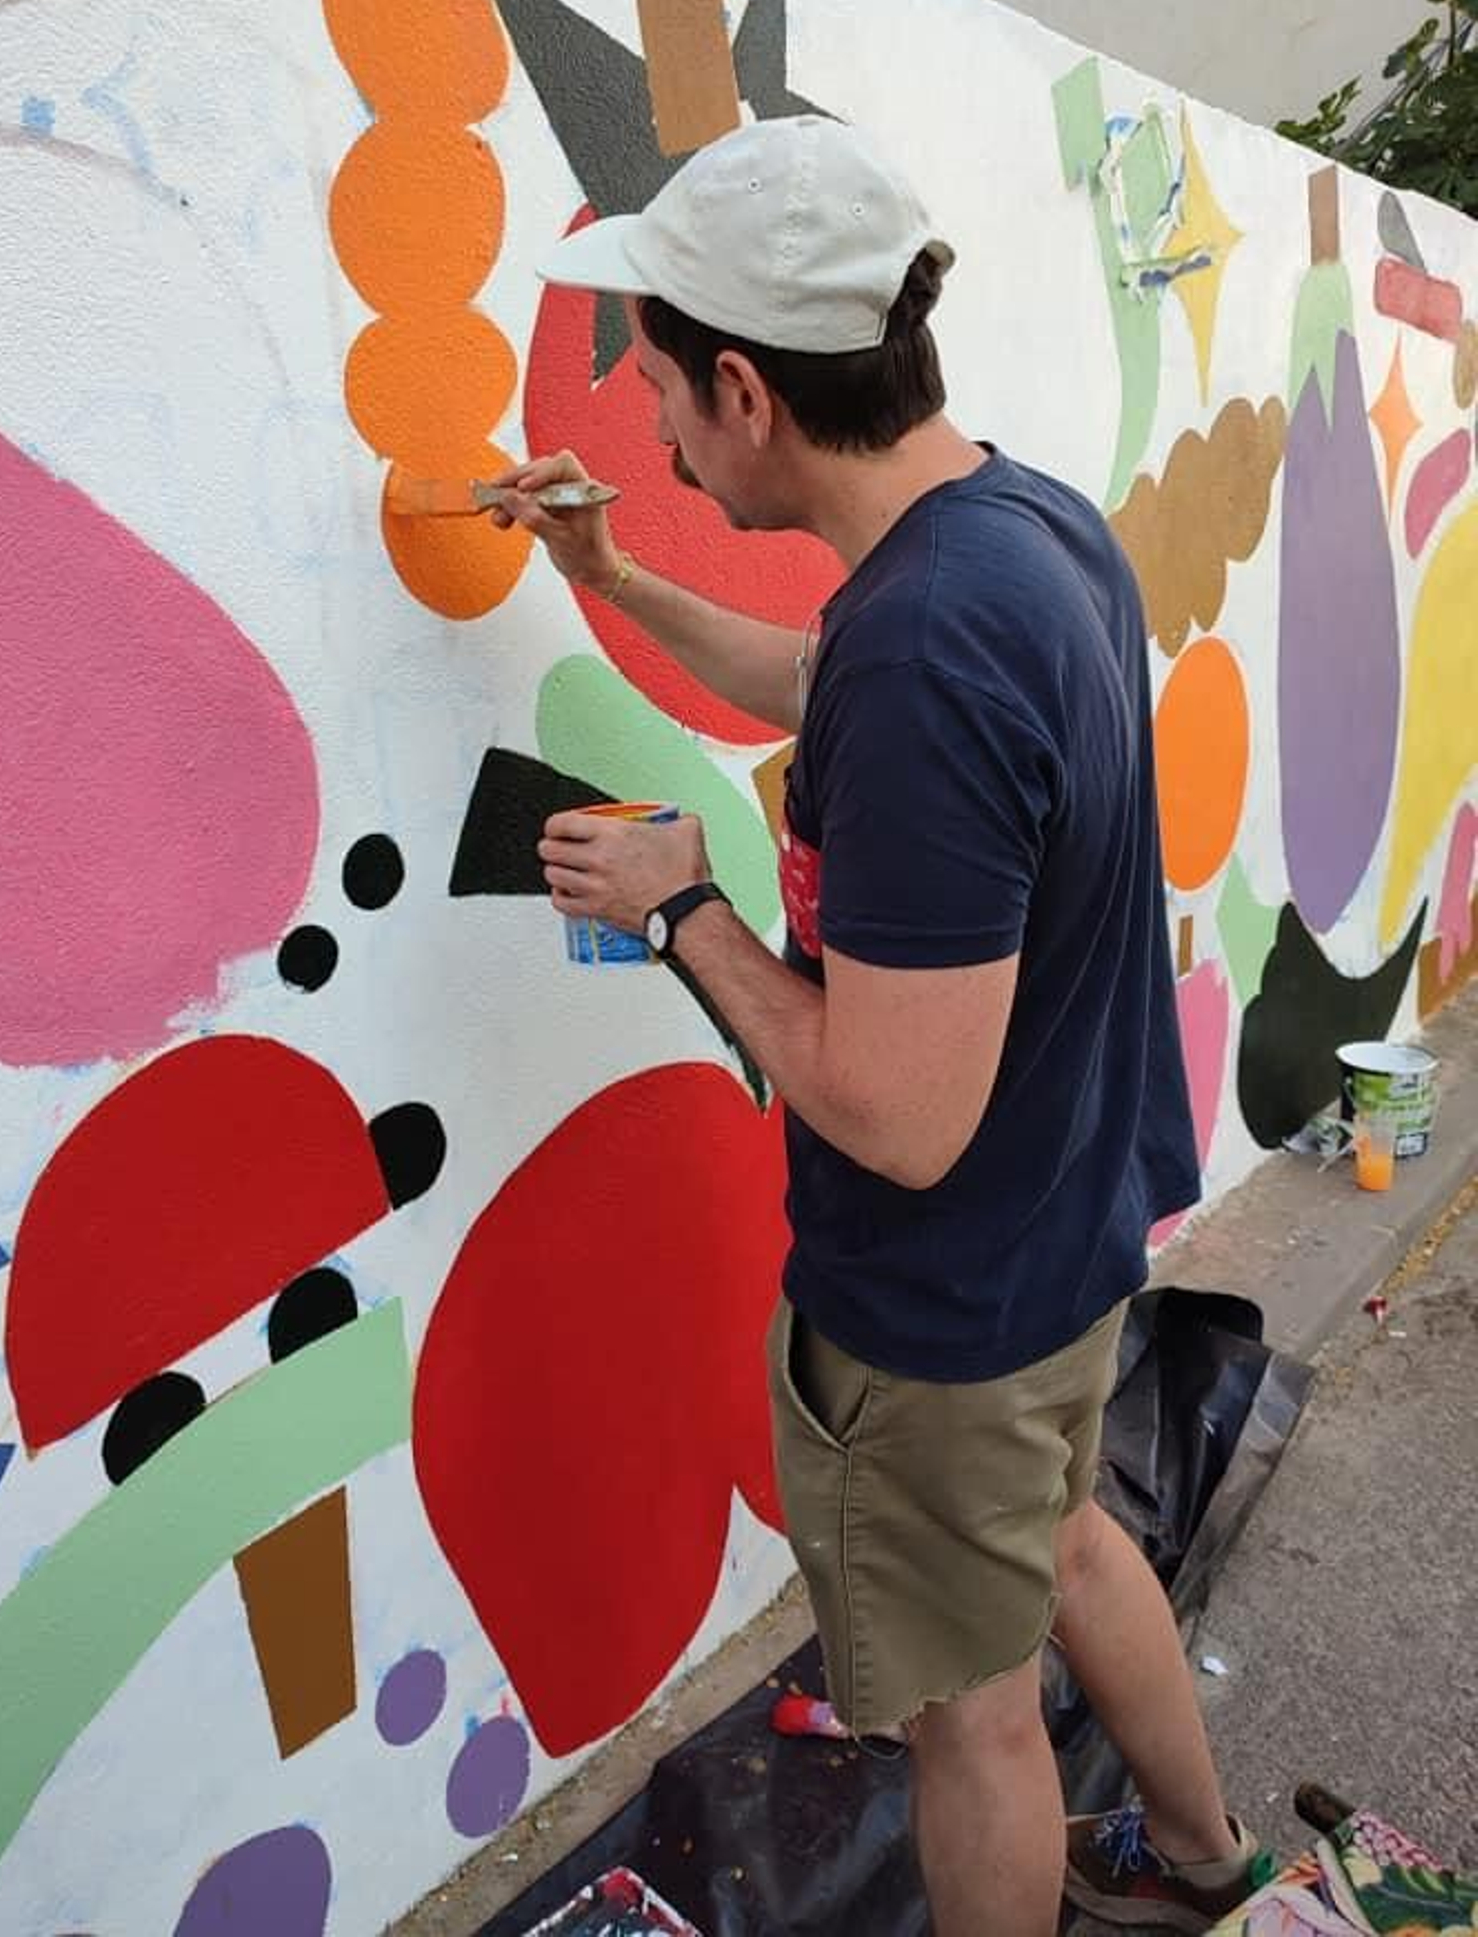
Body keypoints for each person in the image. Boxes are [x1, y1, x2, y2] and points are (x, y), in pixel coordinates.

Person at [494, 115, 1261, 1936]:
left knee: (974, 1721)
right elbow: (823, 676)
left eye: (665, 391)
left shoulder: (932, 643)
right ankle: (1209, 1862)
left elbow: (899, 1116)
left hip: (945, 1306)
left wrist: (682, 906)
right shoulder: (1011, 526)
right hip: (1064, 1244)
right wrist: (611, 582)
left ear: (748, 390)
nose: (658, 436)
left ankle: (1163, 1868)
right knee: (1075, 1546)